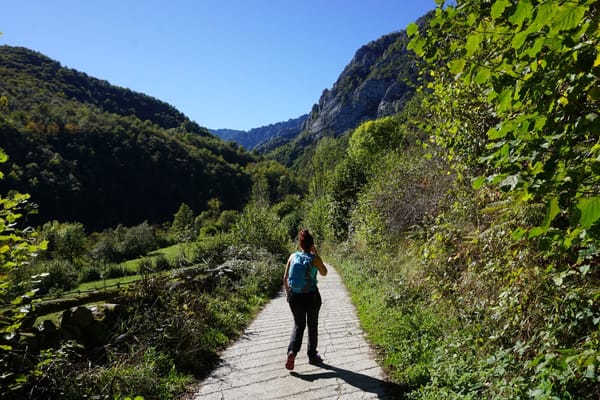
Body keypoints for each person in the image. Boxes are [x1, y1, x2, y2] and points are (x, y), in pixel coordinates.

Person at [283, 228, 328, 370]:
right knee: (312, 325)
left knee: (298, 324)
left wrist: (288, 294)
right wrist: (316, 254)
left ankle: (292, 352)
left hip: (295, 297)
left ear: (300, 244)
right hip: (312, 297)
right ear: (312, 244)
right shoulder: (315, 259)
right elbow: (324, 273)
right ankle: (312, 356)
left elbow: (285, 278)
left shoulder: (292, 256)